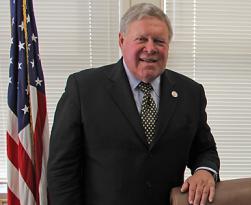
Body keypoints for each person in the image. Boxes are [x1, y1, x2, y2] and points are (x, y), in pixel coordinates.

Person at [47, 3, 219, 205]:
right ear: (121, 40)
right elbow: (62, 169)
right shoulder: (84, 88)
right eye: (141, 39)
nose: (150, 48)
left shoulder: (190, 93)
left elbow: (204, 150)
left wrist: (205, 171)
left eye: (159, 41)